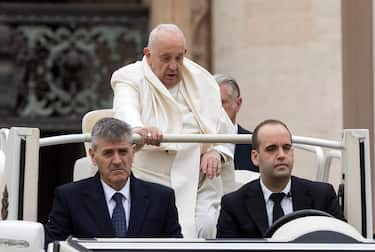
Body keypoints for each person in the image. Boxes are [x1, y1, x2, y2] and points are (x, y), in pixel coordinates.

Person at [111, 24, 235, 238]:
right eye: (166, 58)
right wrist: (138, 129)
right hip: (152, 179)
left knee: (207, 226)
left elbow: (225, 131)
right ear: (148, 55)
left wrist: (216, 151)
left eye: (179, 58)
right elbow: (125, 110)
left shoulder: (202, 80)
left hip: (200, 181)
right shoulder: (129, 77)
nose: (173, 66)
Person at [44, 118, 182, 246]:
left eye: (123, 152)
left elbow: (177, 248)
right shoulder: (69, 198)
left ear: (133, 152)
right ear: (93, 156)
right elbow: (53, 246)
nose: (117, 161)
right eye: (108, 153)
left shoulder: (162, 198)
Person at [216, 119, 345, 238]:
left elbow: (344, 244)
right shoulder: (234, 205)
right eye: (271, 149)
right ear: (255, 157)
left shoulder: (322, 196)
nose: (281, 155)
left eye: (286, 148)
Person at [214, 74, 258, 172]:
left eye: (221, 103)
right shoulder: (198, 143)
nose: (215, 109)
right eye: (211, 103)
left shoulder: (254, 144)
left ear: (238, 104)